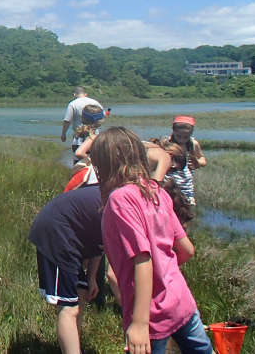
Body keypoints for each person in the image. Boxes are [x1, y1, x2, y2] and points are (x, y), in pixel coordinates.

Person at [91, 127, 213, 354]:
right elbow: (187, 250)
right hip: (180, 299)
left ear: (102, 165)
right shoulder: (157, 191)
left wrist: (139, 323)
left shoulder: (120, 199)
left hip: (151, 313)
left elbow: (143, 259)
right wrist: (165, 272)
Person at [28, 185, 104, 354]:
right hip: (56, 232)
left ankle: (73, 347)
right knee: (69, 307)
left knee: (80, 296)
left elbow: (100, 245)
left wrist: (91, 278)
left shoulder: (117, 201)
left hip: (71, 236)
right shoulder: (116, 205)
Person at [159, 116, 207, 206]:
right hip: (167, 185)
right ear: (173, 131)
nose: (181, 139)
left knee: (185, 212)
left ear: (191, 133)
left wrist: (197, 162)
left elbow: (203, 160)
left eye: (185, 137)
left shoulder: (192, 144)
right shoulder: (166, 143)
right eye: (178, 136)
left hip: (186, 187)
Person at [61, 87, 102, 152]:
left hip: (79, 136)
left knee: (78, 156)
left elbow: (67, 121)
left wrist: (63, 134)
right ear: (85, 94)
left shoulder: (73, 104)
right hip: (95, 135)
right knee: (95, 156)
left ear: (74, 94)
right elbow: (102, 116)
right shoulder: (95, 102)